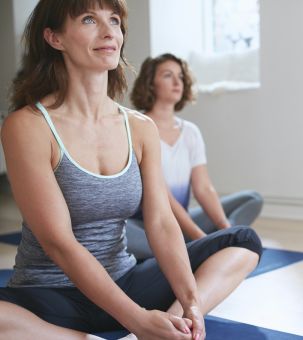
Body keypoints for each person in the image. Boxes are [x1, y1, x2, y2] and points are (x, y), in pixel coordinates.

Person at [0, 1, 261, 339]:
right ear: (54, 37)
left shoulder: (139, 127)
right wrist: (136, 320)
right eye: (90, 19)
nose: (110, 32)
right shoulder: (28, 126)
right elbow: (58, 242)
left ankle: (172, 328)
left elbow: (162, 221)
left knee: (242, 241)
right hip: (51, 296)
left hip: (126, 282)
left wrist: (190, 302)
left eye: (115, 20)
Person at [126, 53, 263, 260]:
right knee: (118, 231)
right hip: (147, 227)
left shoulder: (191, 132)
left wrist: (225, 229)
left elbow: (203, 188)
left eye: (180, 76)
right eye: (167, 75)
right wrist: (201, 238)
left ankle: (196, 246)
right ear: (150, 83)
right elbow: (164, 197)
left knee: (252, 199)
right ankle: (195, 247)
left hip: (183, 222)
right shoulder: (138, 127)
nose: (176, 82)